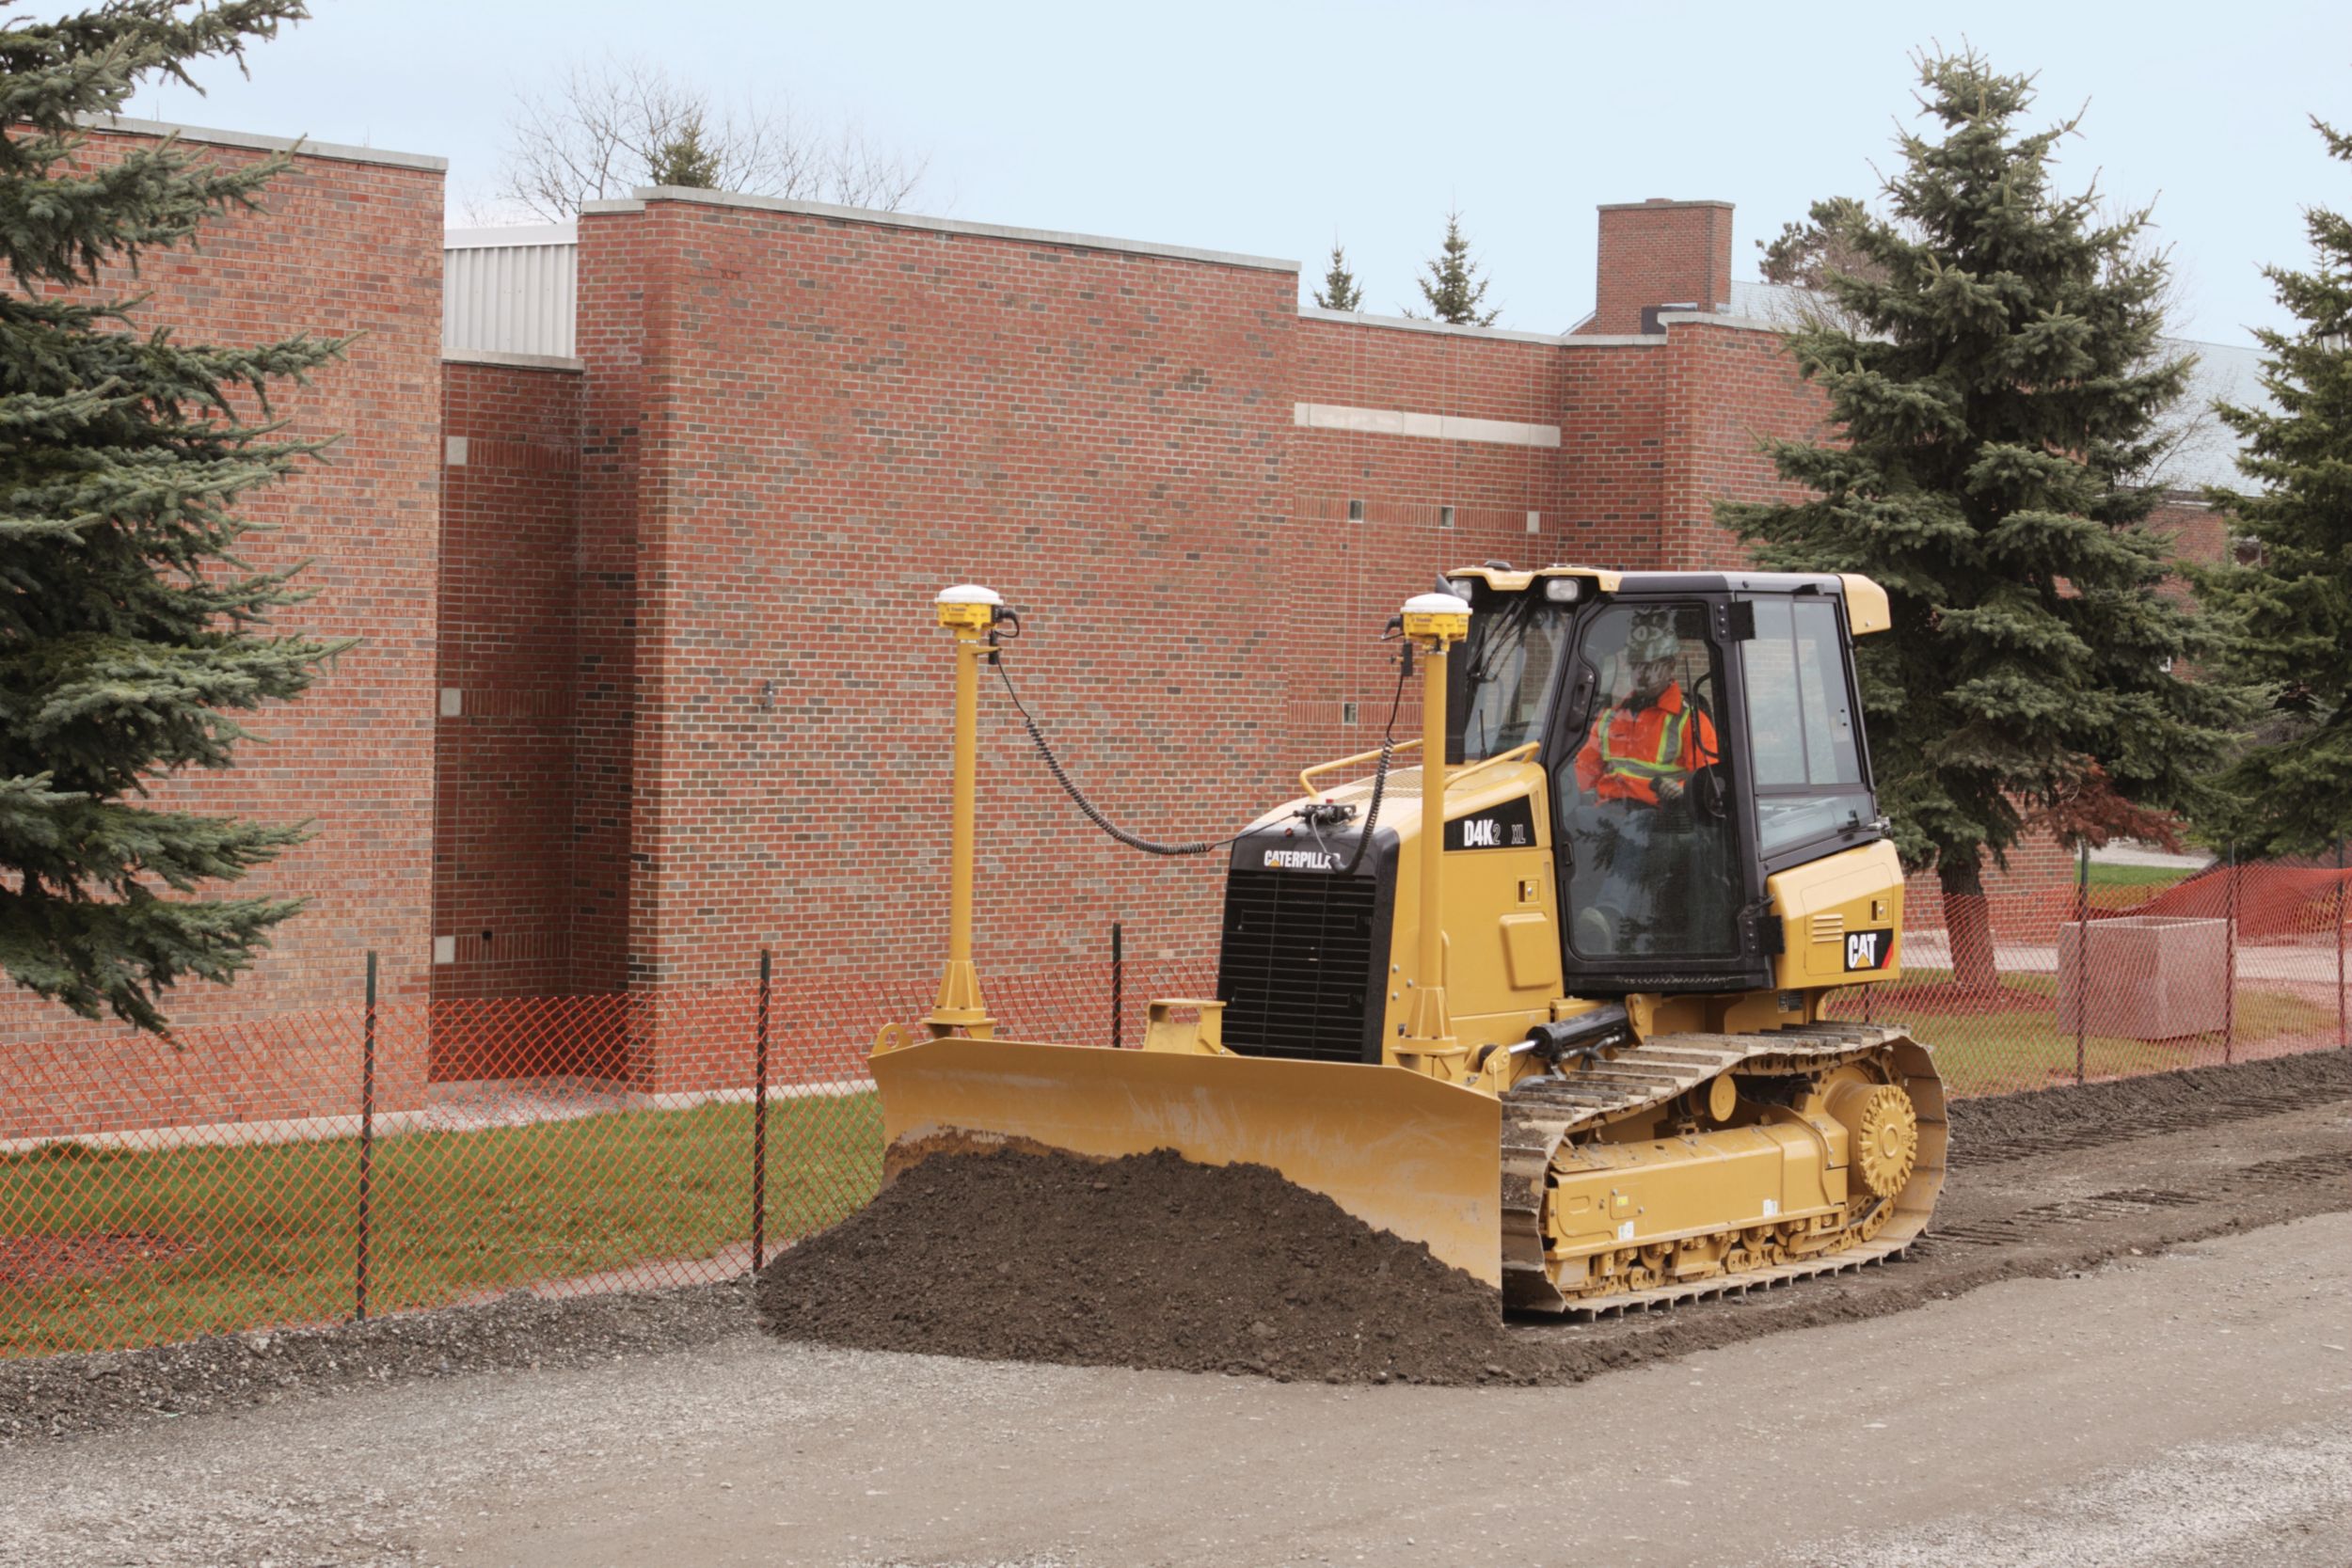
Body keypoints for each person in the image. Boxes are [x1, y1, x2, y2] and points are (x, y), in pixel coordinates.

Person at [1570, 610, 1719, 955]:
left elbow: (1712, 783)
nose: (1642, 672)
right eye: (1636, 664)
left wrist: (1681, 790)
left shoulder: (1688, 721)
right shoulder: (1611, 717)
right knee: (1570, 823)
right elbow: (1581, 772)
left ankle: (1608, 916)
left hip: (1661, 818)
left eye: (1651, 664)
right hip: (1610, 811)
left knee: (1636, 828)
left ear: (1669, 667)